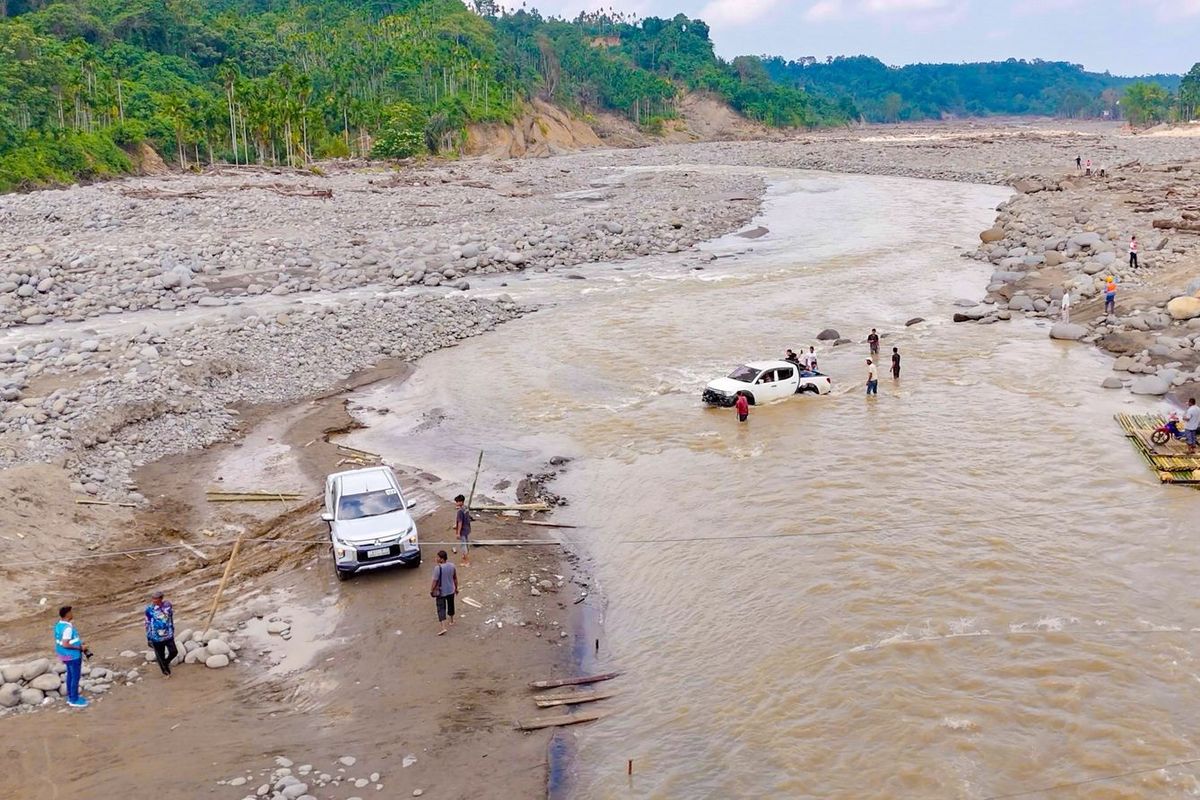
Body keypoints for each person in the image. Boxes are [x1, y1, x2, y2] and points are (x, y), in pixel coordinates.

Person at [55, 606, 88, 708]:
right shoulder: (68, 628)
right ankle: (74, 699)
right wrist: (79, 648)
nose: (72, 614)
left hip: (64, 655)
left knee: (70, 675)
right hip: (72, 655)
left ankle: (71, 696)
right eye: (71, 612)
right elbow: (65, 644)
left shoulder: (59, 625)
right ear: (67, 614)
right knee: (75, 677)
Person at [145, 591, 177, 678]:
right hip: (156, 637)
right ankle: (166, 673)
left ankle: (166, 663)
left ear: (161, 598)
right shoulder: (149, 610)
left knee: (174, 652)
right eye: (153, 598)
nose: (154, 600)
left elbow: (170, 617)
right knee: (160, 655)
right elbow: (147, 624)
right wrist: (148, 638)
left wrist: (172, 628)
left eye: (156, 598)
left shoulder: (168, 605)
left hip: (168, 635)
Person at [431, 550, 458, 635]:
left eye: (438, 557)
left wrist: (431, 590)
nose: (436, 559)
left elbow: (434, 581)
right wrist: (456, 588)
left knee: (441, 608)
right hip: (451, 590)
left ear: (442, 559)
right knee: (451, 605)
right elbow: (455, 578)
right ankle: (452, 621)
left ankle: (443, 627)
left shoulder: (437, 568)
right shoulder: (452, 566)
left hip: (441, 592)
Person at [453, 494, 471, 565]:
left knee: (463, 545)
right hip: (467, 528)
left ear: (461, 502)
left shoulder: (460, 511)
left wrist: (458, 533)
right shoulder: (466, 508)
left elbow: (460, 522)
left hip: (463, 530)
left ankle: (466, 562)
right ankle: (465, 556)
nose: (456, 503)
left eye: (457, 501)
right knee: (466, 543)